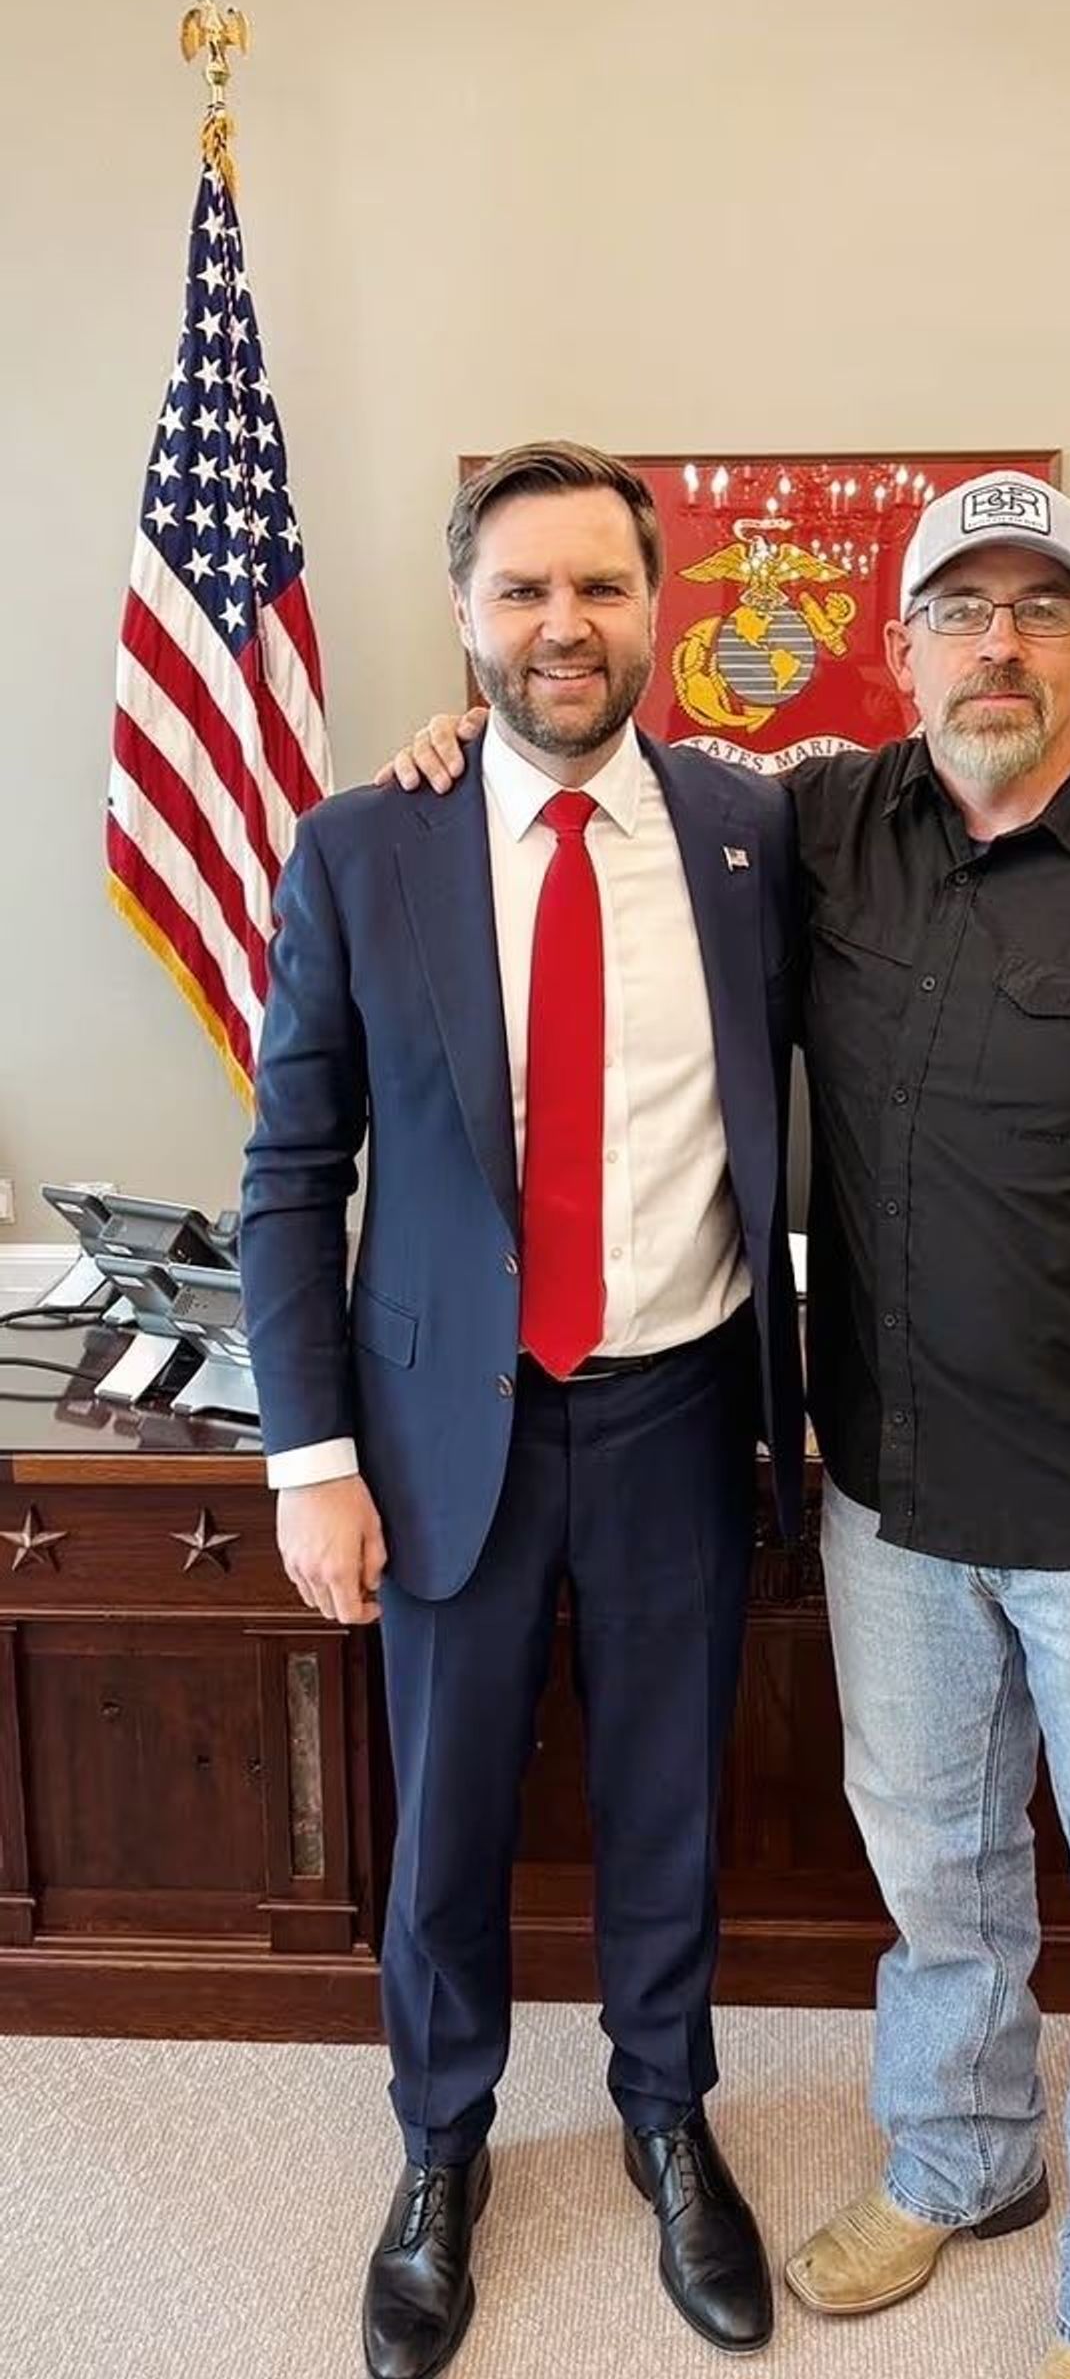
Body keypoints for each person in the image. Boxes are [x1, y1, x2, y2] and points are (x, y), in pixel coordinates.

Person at [383, 466, 1070, 2378]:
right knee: (937, 1882)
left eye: (1038, 612)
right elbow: (590, 752)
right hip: (893, 1504)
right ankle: (959, 2163)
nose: (996, 647)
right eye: (960, 610)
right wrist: (473, 733)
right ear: (901, 645)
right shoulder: (821, 825)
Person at [240, 441, 805, 2379]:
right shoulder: (362, 845)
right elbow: (291, 1169)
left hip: (676, 1410)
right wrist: (312, 1452)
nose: (566, 623)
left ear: (661, 607)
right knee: (448, 1816)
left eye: (602, 587)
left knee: (671, 1797)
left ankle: (666, 2110)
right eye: (525, 592)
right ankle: (442, 2143)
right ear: (469, 619)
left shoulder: (753, 834)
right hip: (435, 1430)